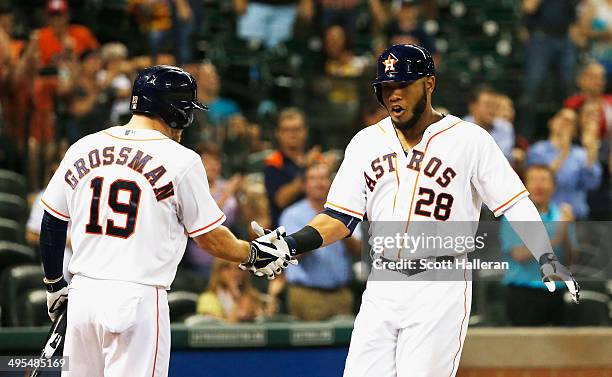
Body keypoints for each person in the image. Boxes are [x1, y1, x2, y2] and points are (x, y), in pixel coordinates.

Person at [245, 44, 580, 377]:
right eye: (387, 87)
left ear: (429, 84)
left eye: (403, 85)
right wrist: (292, 245)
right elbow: (339, 218)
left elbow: (514, 201)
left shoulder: (469, 141)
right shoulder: (365, 142)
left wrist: (545, 254)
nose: (394, 95)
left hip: (440, 282)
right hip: (383, 281)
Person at [39, 65, 290, 376]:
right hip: (136, 299)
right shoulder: (180, 159)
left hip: (82, 296)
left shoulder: (84, 146)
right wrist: (253, 253)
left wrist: (53, 283)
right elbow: (211, 238)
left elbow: (52, 218)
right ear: (176, 110)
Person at [278, 163, 361, 321]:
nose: (319, 183)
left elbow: (359, 249)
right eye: (313, 178)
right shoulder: (292, 214)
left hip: (341, 293)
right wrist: (315, 236)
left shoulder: (345, 212)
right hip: (307, 294)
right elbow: (290, 255)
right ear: (304, 185)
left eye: (323, 178)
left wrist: (339, 229)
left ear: (331, 183)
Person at [500, 164, 575, 326]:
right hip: (524, 294)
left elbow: (570, 260)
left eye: (544, 180)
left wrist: (566, 233)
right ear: (525, 186)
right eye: (533, 180)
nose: (539, 185)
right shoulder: (513, 216)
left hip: (558, 292)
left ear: (554, 186)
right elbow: (519, 255)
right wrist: (556, 238)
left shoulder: (562, 216)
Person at [526, 108, 602, 219]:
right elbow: (539, 180)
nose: (565, 124)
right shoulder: (538, 150)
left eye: (571, 122)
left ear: (575, 131)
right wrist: (563, 152)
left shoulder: (581, 154)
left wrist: (591, 154)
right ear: (551, 122)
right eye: (563, 119)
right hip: (545, 217)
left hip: (576, 217)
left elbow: (592, 184)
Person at [264, 107, 323, 227]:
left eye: (297, 129)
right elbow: (281, 200)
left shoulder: (316, 159)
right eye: (286, 130)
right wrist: (306, 168)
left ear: (305, 131)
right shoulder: (274, 162)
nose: (292, 134)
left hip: (319, 223)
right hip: (286, 229)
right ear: (278, 133)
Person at [197, 258, 272, 322]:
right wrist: (236, 298)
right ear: (218, 271)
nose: (234, 273)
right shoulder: (207, 298)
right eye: (228, 268)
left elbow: (262, 323)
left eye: (239, 268)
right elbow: (225, 329)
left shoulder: (252, 295)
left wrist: (272, 295)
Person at [464, 85, 515, 161]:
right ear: (473, 106)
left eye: (495, 105)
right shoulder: (460, 127)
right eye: (488, 105)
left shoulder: (505, 127)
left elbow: (503, 158)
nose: (492, 109)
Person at [564, 62, 612, 138]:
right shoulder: (573, 103)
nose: (599, 82)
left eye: (601, 78)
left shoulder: (609, 101)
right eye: (594, 77)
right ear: (580, 80)